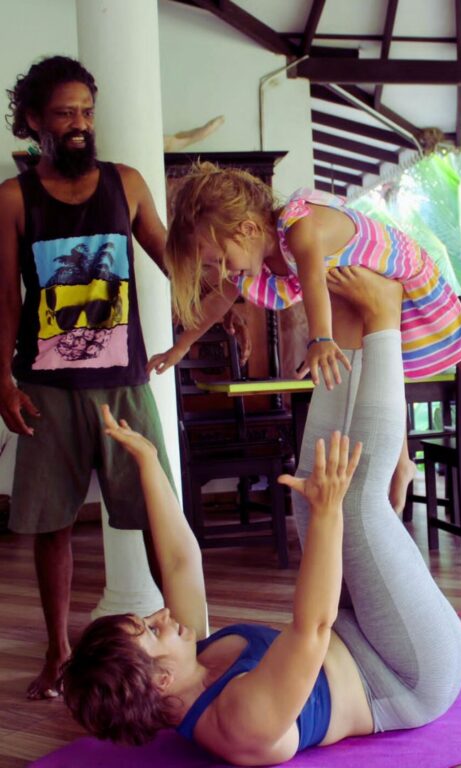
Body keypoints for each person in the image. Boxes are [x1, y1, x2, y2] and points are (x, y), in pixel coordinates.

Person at [62, 273, 461, 765]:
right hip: (410, 675)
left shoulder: (192, 661)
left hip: (358, 630)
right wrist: (327, 515)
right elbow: (311, 628)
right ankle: (382, 319)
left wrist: (148, 462)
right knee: (354, 503)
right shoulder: (239, 722)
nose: (161, 615)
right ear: (159, 680)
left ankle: (344, 327)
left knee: (309, 495)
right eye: (151, 630)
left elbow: (180, 562)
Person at [149, 163, 461, 513]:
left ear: (248, 229)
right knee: (385, 373)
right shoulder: (257, 259)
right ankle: (401, 463)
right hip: (367, 298)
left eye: (221, 259)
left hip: (406, 275)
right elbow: (219, 301)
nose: (223, 270)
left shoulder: (300, 226)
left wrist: (320, 339)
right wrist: (182, 344)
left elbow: (313, 280)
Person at [0, 55, 176, 699]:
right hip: (46, 387)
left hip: (124, 383)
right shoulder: (13, 199)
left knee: (158, 514)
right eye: (65, 113)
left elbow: (169, 255)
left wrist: (222, 295)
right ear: (33, 122)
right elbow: (5, 302)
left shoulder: (125, 183)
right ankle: (57, 653)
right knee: (51, 526)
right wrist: (3, 384)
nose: (79, 125)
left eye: (86, 112)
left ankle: (184, 632)